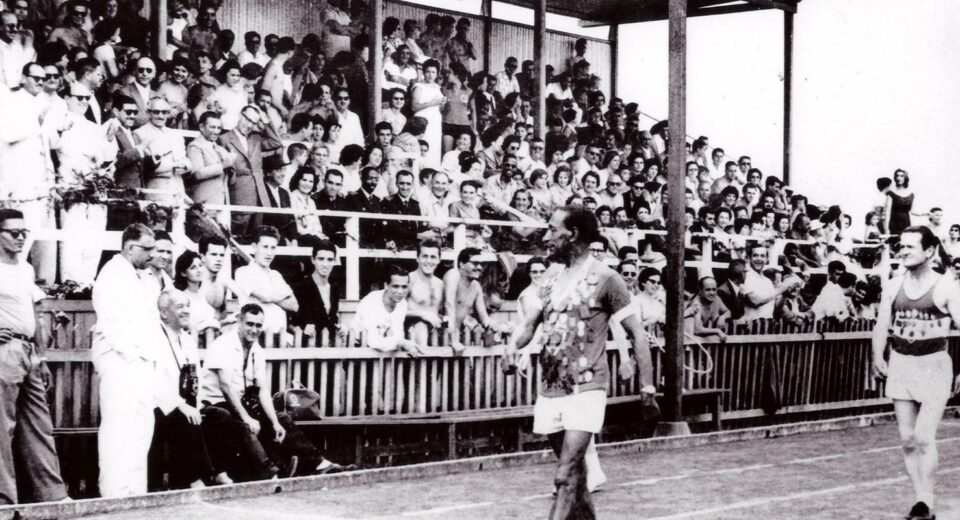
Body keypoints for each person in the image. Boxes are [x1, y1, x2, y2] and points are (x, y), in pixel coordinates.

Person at [504, 206, 657, 519]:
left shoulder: (607, 278)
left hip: (587, 388)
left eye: (552, 229)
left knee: (563, 475)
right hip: (550, 389)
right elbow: (530, 324)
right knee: (577, 479)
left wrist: (647, 386)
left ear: (572, 235)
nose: (545, 236)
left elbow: (638, 335)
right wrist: (511, 346)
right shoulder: (549, 276)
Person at [199, 303, 349, 481]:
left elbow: (262, 389)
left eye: (258, 325)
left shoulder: (256, 350)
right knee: (245, 425)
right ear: (238, 321)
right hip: (216, 404)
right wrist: (247, 417)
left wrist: (275, 422)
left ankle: (321, 464)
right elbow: (226, 386)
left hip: (241, 402)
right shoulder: (222, 344)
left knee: (282, 419)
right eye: (250, 324)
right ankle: (270, 474)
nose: (254, 330)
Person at [871, 226, 960, 520]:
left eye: (911, 247)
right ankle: (921, 501)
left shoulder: (947, 286)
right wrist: (877, 356)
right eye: (901, 246)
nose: (903, 251)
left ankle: (927, 500)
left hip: (934, 364)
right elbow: (882, 324)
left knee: (924, 436)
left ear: (930, 251)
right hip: (902, 363)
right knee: (907, 438)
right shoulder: (894, 285)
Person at [0, 209, 68, 505]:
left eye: (23, 233)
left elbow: (35, 314)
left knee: (40, 425)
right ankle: (3, 499)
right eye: (13, 232)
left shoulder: (25, 269)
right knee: (2, 428)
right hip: (5, 352)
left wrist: (42, 357)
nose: (19, 237)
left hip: (29, 351)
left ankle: (52, 495)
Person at [91, 223, 159, 497]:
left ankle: (134, 491)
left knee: (141, 427)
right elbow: (111, 323)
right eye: (148, 249)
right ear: (131, 248)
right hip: (120, 360)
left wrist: (145, 359)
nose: (152, 255)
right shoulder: (111, 274)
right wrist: (132, 356)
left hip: (140, 361)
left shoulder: (143, 275)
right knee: (118, 426)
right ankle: (113, 492)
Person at [150, 289, 232, 489]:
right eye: (180, 307)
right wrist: (181, 405)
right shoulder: (153, 338)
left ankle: (218, 472)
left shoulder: (187, 340)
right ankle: (195, 478)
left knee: (219, 415)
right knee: (184, 419)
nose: (186, 310)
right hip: (159, 406)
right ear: (163, 312)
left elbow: (196, 377)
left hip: (187, 405)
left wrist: (200, 403)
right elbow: (153, 381)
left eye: (188, 306)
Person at [234, 225, 298, 336]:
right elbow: (265, 296)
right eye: (265, 247)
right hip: (255, 335)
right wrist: (279, 297)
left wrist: (268, 298)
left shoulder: (276, 275)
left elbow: (294, 305)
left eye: (273, 248)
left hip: (279, 336)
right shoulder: (243, 272)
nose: (269, 253)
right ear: (254, 247)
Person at [442, 248, 508, 354]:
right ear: (461, 264)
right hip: (443, 335)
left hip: (462, 337)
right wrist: (454, 340)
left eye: (481, 264)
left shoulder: (476, 286)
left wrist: (500, 327)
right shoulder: (453, 275)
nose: (479, 268)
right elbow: (449, 305)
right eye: (475, 263)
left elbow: (485, 318)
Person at [347, 265, 423, 355]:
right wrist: (402, 343)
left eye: (404, 287)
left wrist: (408, 346)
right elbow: (373, 341)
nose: (400, 291)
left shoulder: (402, 304)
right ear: (386, 285)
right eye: (396, 286)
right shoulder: (371, 301)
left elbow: (397, 334)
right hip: (357, 351)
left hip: (385, 353)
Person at [291, 240, 340, 346]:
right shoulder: (301, 287)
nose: (325, 264)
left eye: (330, 259)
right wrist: (304, 328)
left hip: (328, 348)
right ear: (313, 260)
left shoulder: (335, 288)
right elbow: (290, 322)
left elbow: (332, 319)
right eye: (321, 259)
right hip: (305, 348)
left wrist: (340, 327)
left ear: (334, 261)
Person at [740, 243, 802, 322]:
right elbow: (755, 301)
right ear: (749, 258)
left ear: (766, 259)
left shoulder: (767, 281)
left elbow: (776, 308)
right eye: (755, 255)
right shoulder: (745, 277)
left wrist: (784, 295)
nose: (759, 259)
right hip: (751, 327)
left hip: (767, 326)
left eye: (762, 256)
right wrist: (781, 289)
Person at [405, 240, 444, 347]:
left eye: (433, 257)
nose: (428, 261)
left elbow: (441, 312)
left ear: (439, 260)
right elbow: (396, 311)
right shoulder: (409, 280)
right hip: (412, 332)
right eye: (425, 256)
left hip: (435, 333)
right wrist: (422, 314)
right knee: (420, 327)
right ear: (418, 258)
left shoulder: (440, 284)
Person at [173, 250, 221, 334]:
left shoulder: (201, 294)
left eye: (200, 265)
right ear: (184, 273)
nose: (199, 270)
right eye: (193, 267)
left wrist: (227, 321)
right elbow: (189, 327)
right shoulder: (182, 297)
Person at [410, 59, 445, 166]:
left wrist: (442, 103)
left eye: (433, 72)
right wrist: (432, 103)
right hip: (422, 120)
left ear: (437, 73)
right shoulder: (419, 86)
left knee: (434, 148)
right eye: (428, 72)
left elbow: (440, 108)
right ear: (424, 72)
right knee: (422, 146)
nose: (430, 75)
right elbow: (414, 107)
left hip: (435, 121)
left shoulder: (438, 88)